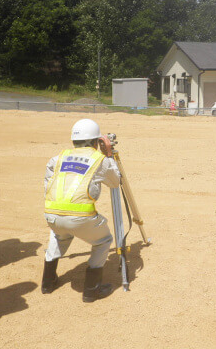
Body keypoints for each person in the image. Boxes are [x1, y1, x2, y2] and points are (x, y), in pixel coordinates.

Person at [41, 119, 121, 302]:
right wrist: (108, 155)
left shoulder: (58, 158)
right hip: (81, 218)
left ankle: (47, 282)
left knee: (58, 234)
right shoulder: (99, 160)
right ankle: (91, 290)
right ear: (96, 142)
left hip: (52, 215)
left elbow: (47, 186)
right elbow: (116, 182)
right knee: (103, 241)